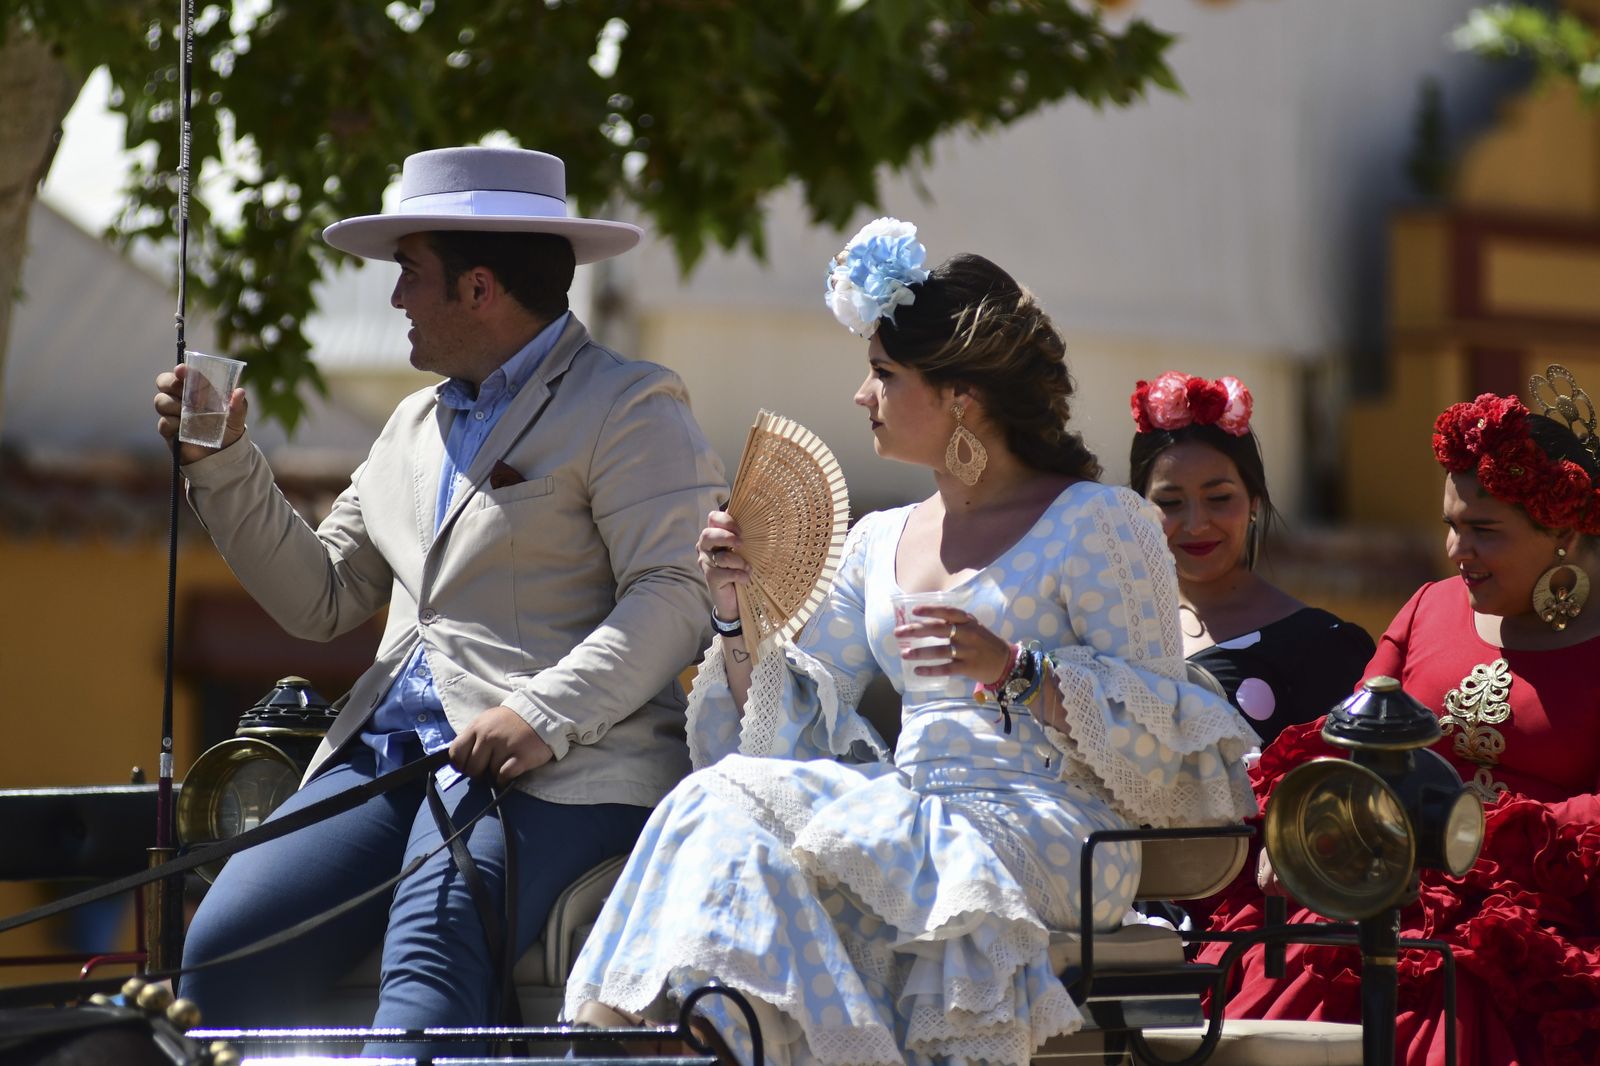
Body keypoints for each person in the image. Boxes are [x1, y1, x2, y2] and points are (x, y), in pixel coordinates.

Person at [561, 218, 1260, 1065]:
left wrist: (1015, 670)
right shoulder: (878, 538)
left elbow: (1170, 744)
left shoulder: (1101, 522)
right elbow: (785, 734)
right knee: (733, 808)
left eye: (884, 375)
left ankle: (705, 1037)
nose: (863, 397)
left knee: (758, 814)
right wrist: (735, 612)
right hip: (912, 809)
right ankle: (720, 1036)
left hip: (1056, 831)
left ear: (961, 395)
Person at [151, 147, 727, 1050]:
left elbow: (675, 594)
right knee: (221, 954)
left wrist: (539, 713)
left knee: (433, 945)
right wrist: (222, 463)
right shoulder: (413, 425)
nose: (395, 299)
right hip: (387, 761)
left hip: (561, 772)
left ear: (481, 288)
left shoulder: (632, 404)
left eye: (410, 275)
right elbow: (325, 600)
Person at [1201, 368, 1600, 1066]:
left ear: (1563, 532)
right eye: (1451, 526)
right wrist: (1302, 826)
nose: (1456, 551)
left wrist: (1490, 835)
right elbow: (1340, 743)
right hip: (1382, 883)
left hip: (1535, 923)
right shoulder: (1426, 606)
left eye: (1484, 531)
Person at [1127, 372, 1374, 748]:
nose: (1196, 524)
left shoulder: (1320, 648)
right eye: (1170, 503)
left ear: (1254, 504)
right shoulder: (1109, 630)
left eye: (1219, 498)